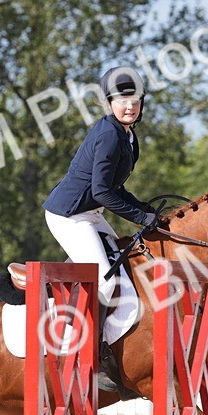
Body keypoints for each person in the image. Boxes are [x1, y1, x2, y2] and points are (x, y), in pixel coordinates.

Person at [40, 66, 160, 393]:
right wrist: (140, 217)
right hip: (69, 216)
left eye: (135, 100)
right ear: (110, 103)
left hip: (90, 213)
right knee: (106, 284)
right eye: (122, 100)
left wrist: (146, 210)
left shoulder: (128, 135)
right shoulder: (109, 136)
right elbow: (102, 192)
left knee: (125, 266)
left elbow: (115, 187)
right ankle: (93, 359)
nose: (129, 106)